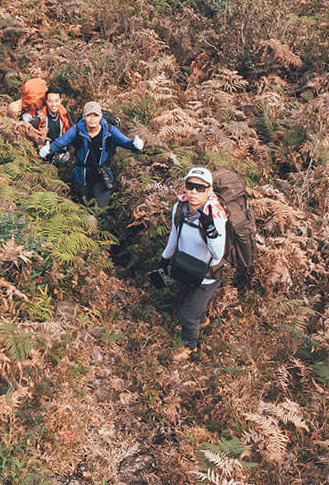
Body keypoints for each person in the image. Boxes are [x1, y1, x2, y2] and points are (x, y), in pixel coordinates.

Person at [158, 167, 227, 362]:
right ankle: (203, 320)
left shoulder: (216, 215)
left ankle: (190, 347)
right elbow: (174, 235)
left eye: (200, 188)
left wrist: (211, 230)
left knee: (187, 313)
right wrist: (165, 259)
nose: (194, 192)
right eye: (190, 186)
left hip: (207, 274)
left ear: (209, 190)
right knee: (188, 301)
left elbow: (218, 254)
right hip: (184, 266)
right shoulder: (180, 208)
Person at [39, 101, 143, 212]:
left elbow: (125, 142)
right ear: (83, 117)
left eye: (95, 115)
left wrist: (135, 145)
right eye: (89, 115)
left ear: (101, 116)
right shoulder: (77, 130)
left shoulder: (109, 130)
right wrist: (48, 150)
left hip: (102, 174)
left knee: (101, 211)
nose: (92, 119)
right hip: (82, 175)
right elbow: (61, 142)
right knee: (83, 209)